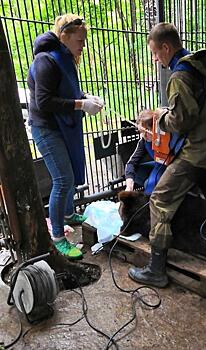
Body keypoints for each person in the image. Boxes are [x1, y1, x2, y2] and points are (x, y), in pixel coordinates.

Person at [128, 22, 206, 287]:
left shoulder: (178, 76)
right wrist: (163, 111)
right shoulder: (194, 64)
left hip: (198, 149)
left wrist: (156, 119)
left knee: (159, 198)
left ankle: (156, 269)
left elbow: (182, 120)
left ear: (166, 47)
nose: (155, 58)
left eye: (155, 53)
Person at [27, 14, 103, 259]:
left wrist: (86, 96)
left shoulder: (65, 57)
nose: (83, 44)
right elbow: (45, 101)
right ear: (65, 36)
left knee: (69, 172)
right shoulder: (46, 60)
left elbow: (67, 88)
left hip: (61, 126)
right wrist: (81, 104)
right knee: (63, 179)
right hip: (46, 127)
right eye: (79, 40)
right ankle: (58, 236)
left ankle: (68, 214)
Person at [125, 109, 169, 194]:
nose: (144, 135)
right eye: (142, 132)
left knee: (150, 187)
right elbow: (131, 163)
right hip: (158, 165)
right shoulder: (144, 141)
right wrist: (129, 187)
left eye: (147, 131)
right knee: (135, 172)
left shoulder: (166, 137)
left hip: (171, 167)